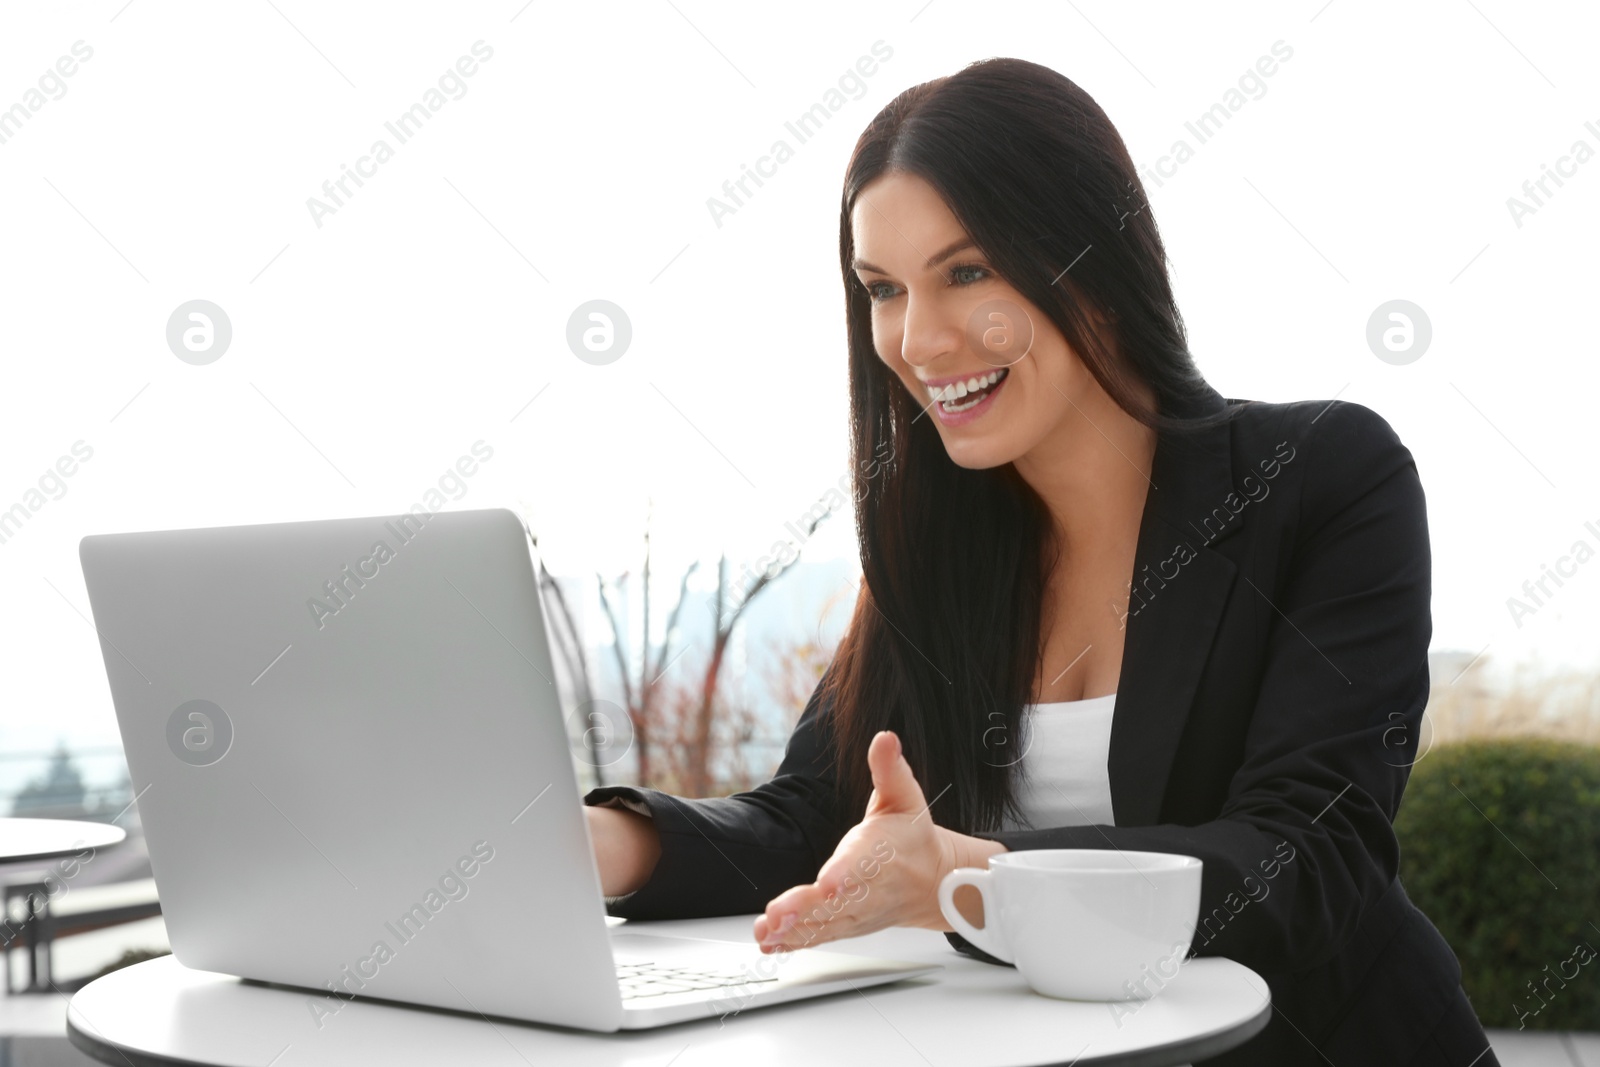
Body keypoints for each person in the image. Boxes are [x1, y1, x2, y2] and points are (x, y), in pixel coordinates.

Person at [583, 57, 1497, 1066]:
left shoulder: (1322, 478)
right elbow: (817, 821)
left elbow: (1306, 860)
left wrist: (962, 877)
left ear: (1092, 262)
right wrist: (608, 846)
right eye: (882, 289)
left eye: (967, 271)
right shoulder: (936, 546)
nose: (917, 339)